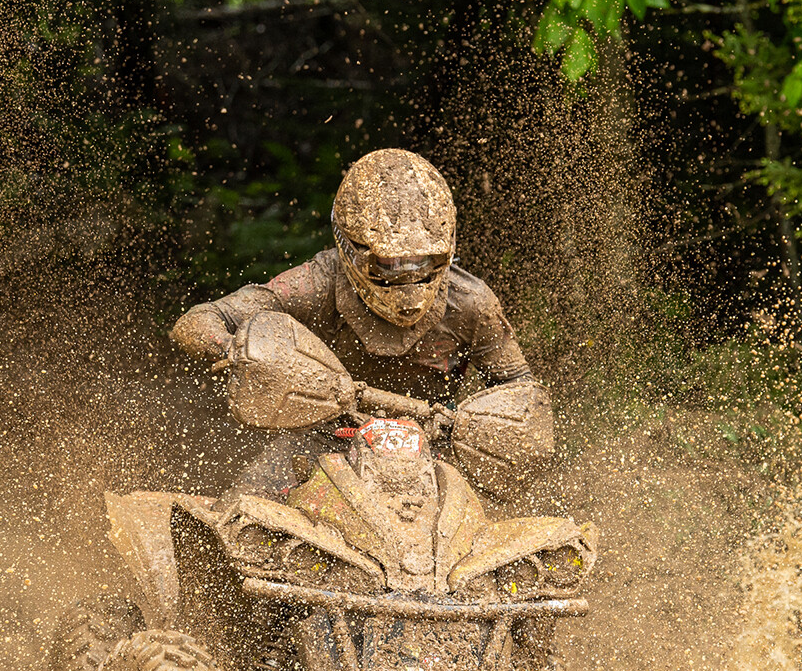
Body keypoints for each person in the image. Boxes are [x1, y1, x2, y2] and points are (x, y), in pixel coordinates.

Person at [171, 148, 548, 500]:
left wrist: (502, 431)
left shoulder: (471, 303)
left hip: (435, 449)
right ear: (350, 248)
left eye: (426, 263)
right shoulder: (316, 284)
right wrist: (234, 350)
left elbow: (522, 393)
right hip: (323, 439)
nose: (409, 278)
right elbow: (200, 319)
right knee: (240, 514)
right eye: (389, 265)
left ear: (447, 249)